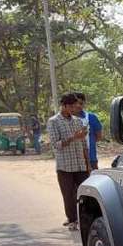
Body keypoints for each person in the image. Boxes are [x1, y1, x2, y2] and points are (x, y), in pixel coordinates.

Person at [47, 93, 90, 230]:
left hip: (80, 165)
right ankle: (72, 220)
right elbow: (56, 144)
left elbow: (83, 144)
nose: (74, 108)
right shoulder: (53, 122)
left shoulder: (78, 121)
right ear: (64, 106)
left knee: (85, 193)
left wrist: (88, 164)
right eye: (71, 106)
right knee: (68, 195)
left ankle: (86, 219)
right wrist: (73, 137)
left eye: (75, 105)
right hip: (65, 166)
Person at [74, 92, 103, 170]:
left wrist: (90, 142)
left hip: (91, 159)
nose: (78, 105)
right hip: (72, 160)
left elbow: (99, 137)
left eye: (81, 103)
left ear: (84, 104)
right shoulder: (65, 120)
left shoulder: (91, 117)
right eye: (75, 103)